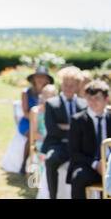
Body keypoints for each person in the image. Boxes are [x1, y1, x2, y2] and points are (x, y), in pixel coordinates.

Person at [41, 66, 88, 199]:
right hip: (58, 144)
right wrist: (74, 132)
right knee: (51, 160)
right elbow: (52, 129)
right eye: (65, 85)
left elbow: (85, 129)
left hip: (79, 147)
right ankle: (53, 196)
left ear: (78, 86)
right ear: (61, 84)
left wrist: (67, 127)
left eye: (71, 86)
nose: (67, 88)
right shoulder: (52, 103)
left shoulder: (83, 104)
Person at [67, 80, 110, 199]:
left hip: (110, 164)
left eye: (97, 98)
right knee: (79, 176)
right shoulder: (78, 120)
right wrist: (96, 164)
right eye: (89, 98)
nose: (92, 102)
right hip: (89, 165)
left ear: (106, 100)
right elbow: (73, 152)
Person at [19, 66, 53, 175]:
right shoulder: (26, 92)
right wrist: (36, 119)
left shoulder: (50, 93)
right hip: (28, 121)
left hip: (46, 122)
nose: (40, 79)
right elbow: (25, 112)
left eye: (43, 77)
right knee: (31, 137)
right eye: (38, 76)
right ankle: (24, 164)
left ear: (47, 80)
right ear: (33, 79)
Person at [30, 84, 58, 178]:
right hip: (42, 141)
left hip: (56, 141)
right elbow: (34, 134)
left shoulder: (58, 111)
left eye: (52, 97)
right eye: (46, 97)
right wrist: (47, 139)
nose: (48, 100)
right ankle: (44, 181)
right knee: (45, 152)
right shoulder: (36, 111)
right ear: (42, 97)